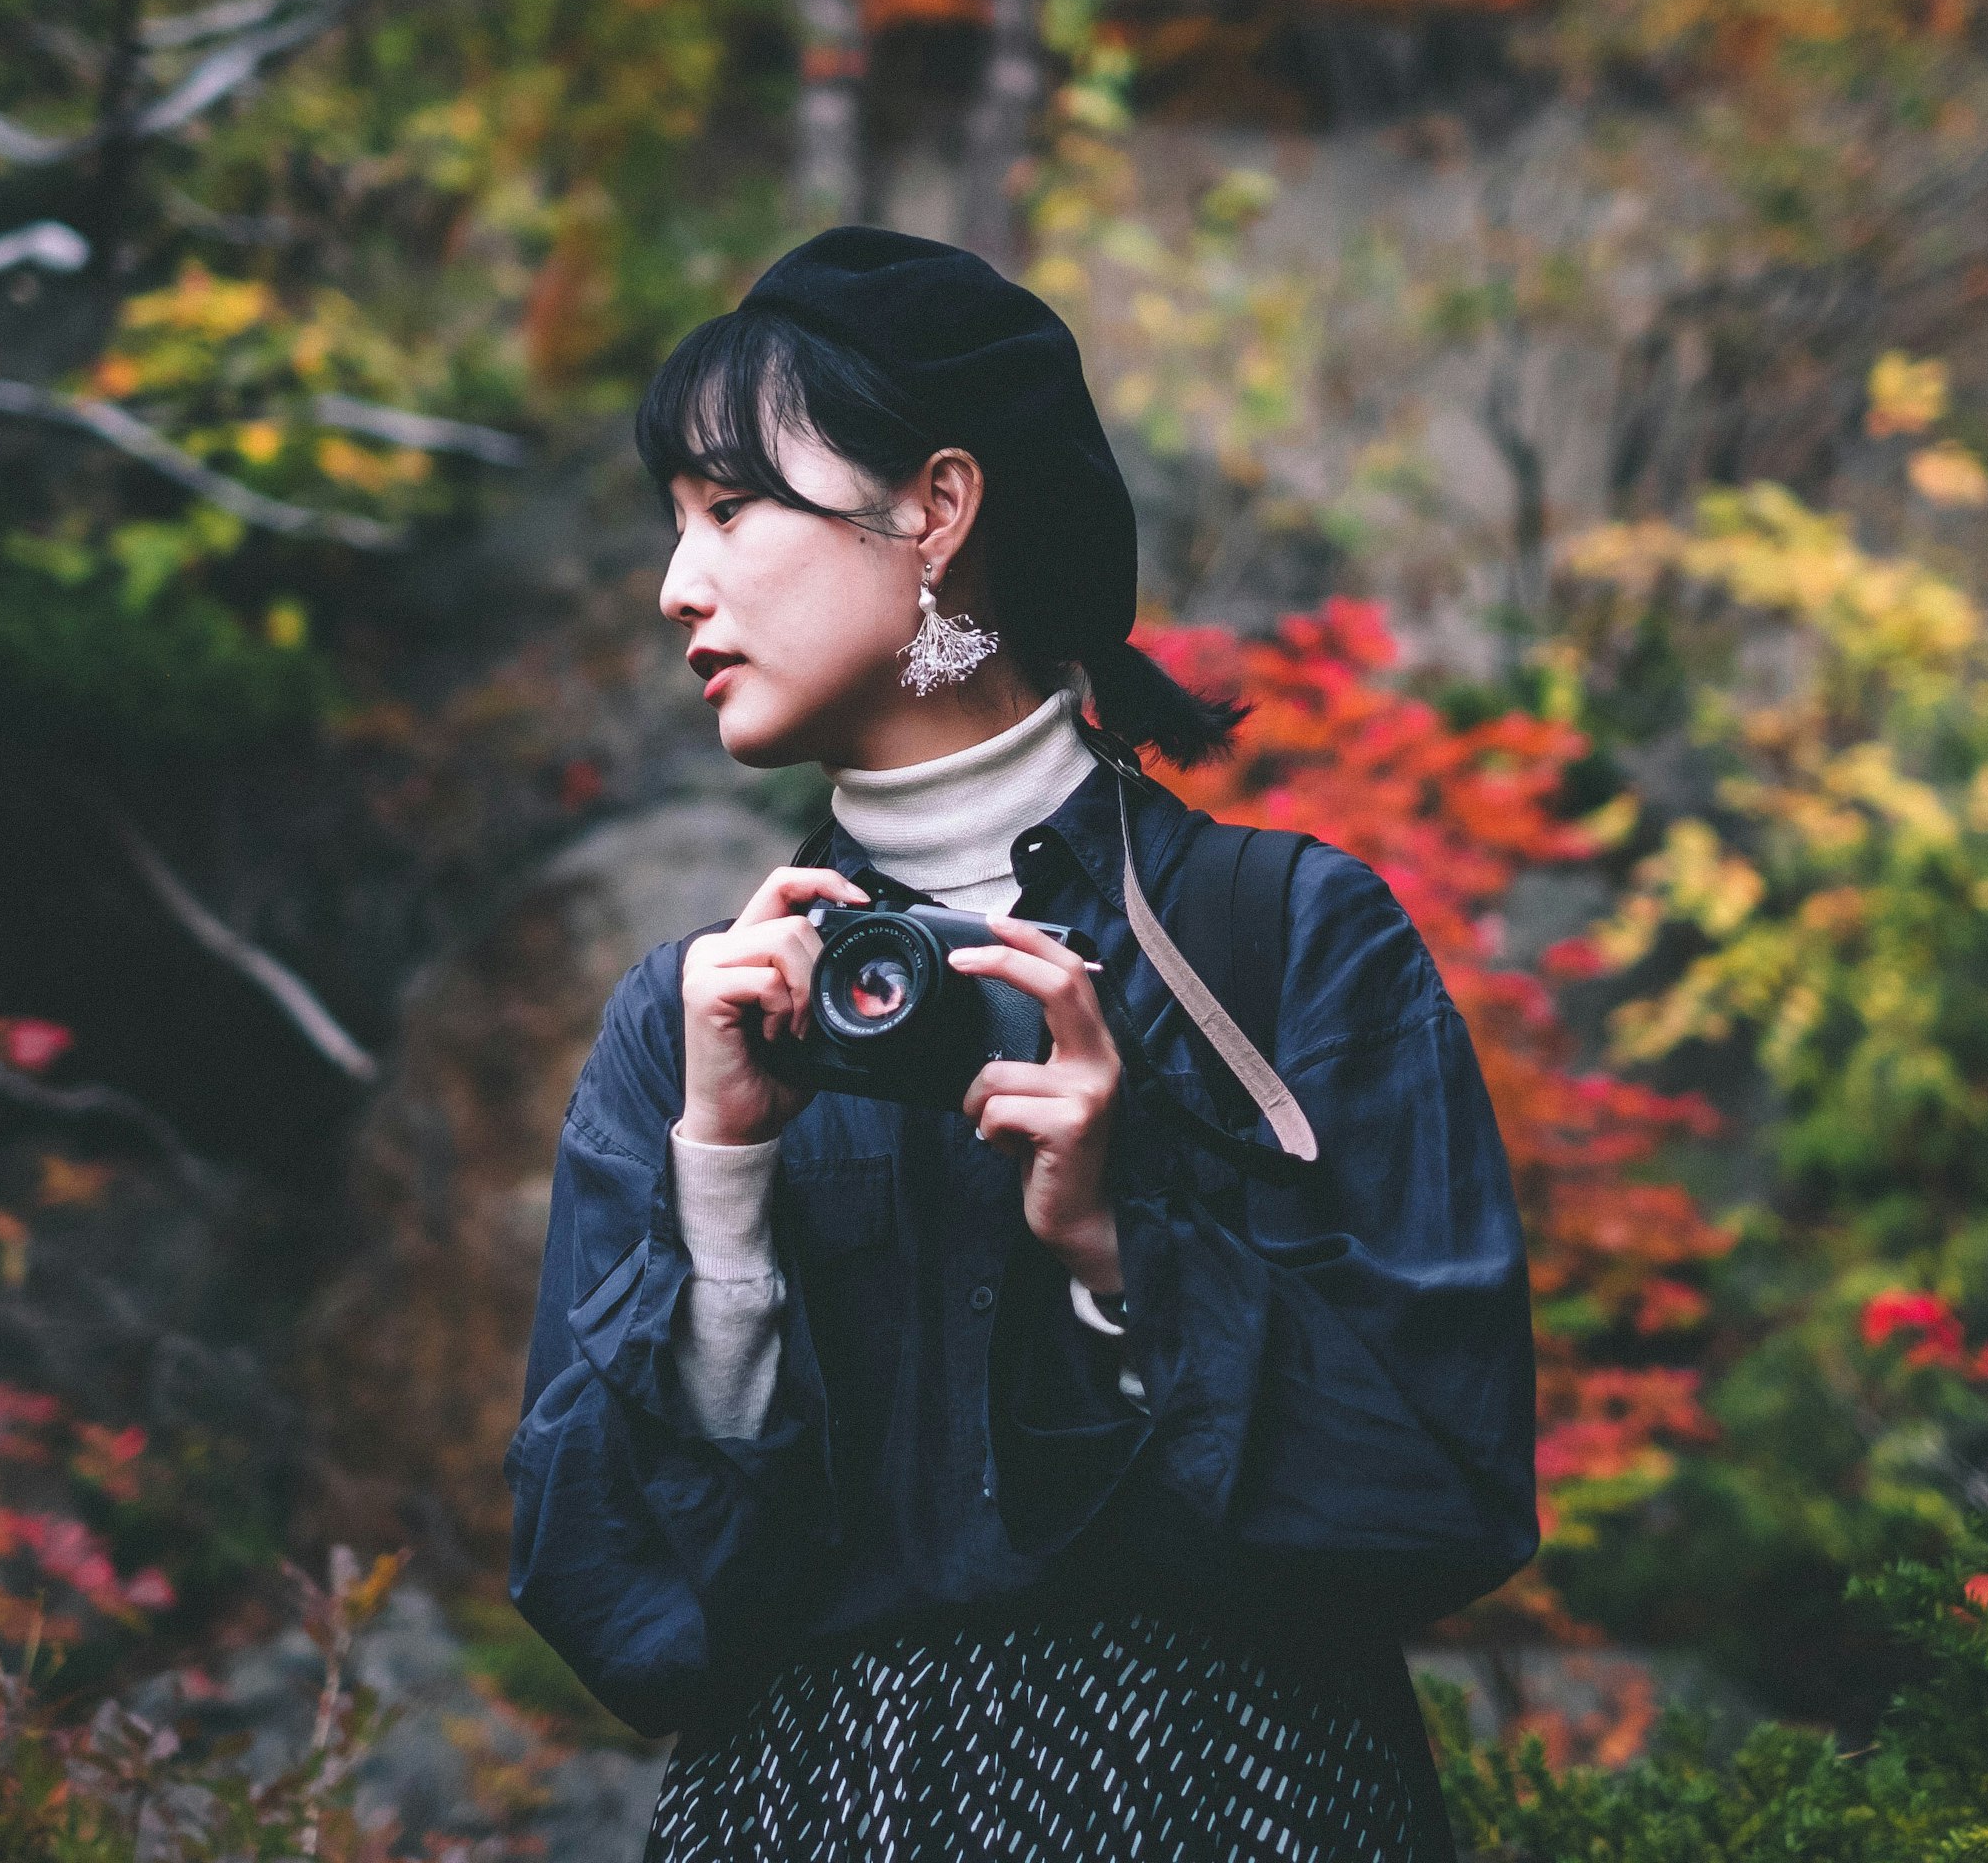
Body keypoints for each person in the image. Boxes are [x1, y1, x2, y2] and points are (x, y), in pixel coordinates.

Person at [502, 226, 1538, 1861]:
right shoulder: (696, 1020)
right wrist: (719, 1180)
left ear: (936, 507)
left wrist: (1124, 1244)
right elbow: (612, 1597)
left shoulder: (1283, 942)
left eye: (726, 509)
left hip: (1229, 1793)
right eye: (670, 526)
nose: (674, 586)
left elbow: (1450, 1497)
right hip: (801, 1808)